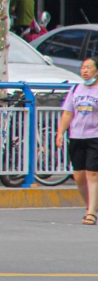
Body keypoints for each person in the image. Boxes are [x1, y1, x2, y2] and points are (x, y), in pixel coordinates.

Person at [57, 57, 98, 224]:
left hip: (95, 136)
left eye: (89, 67)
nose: (85, 71)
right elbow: (68, 113)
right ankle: (91, 206)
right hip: (76, 136)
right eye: (83, 68)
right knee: (79, 176)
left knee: (93, 174)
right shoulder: (75, 89)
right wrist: (60, 133)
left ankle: (91, 212)